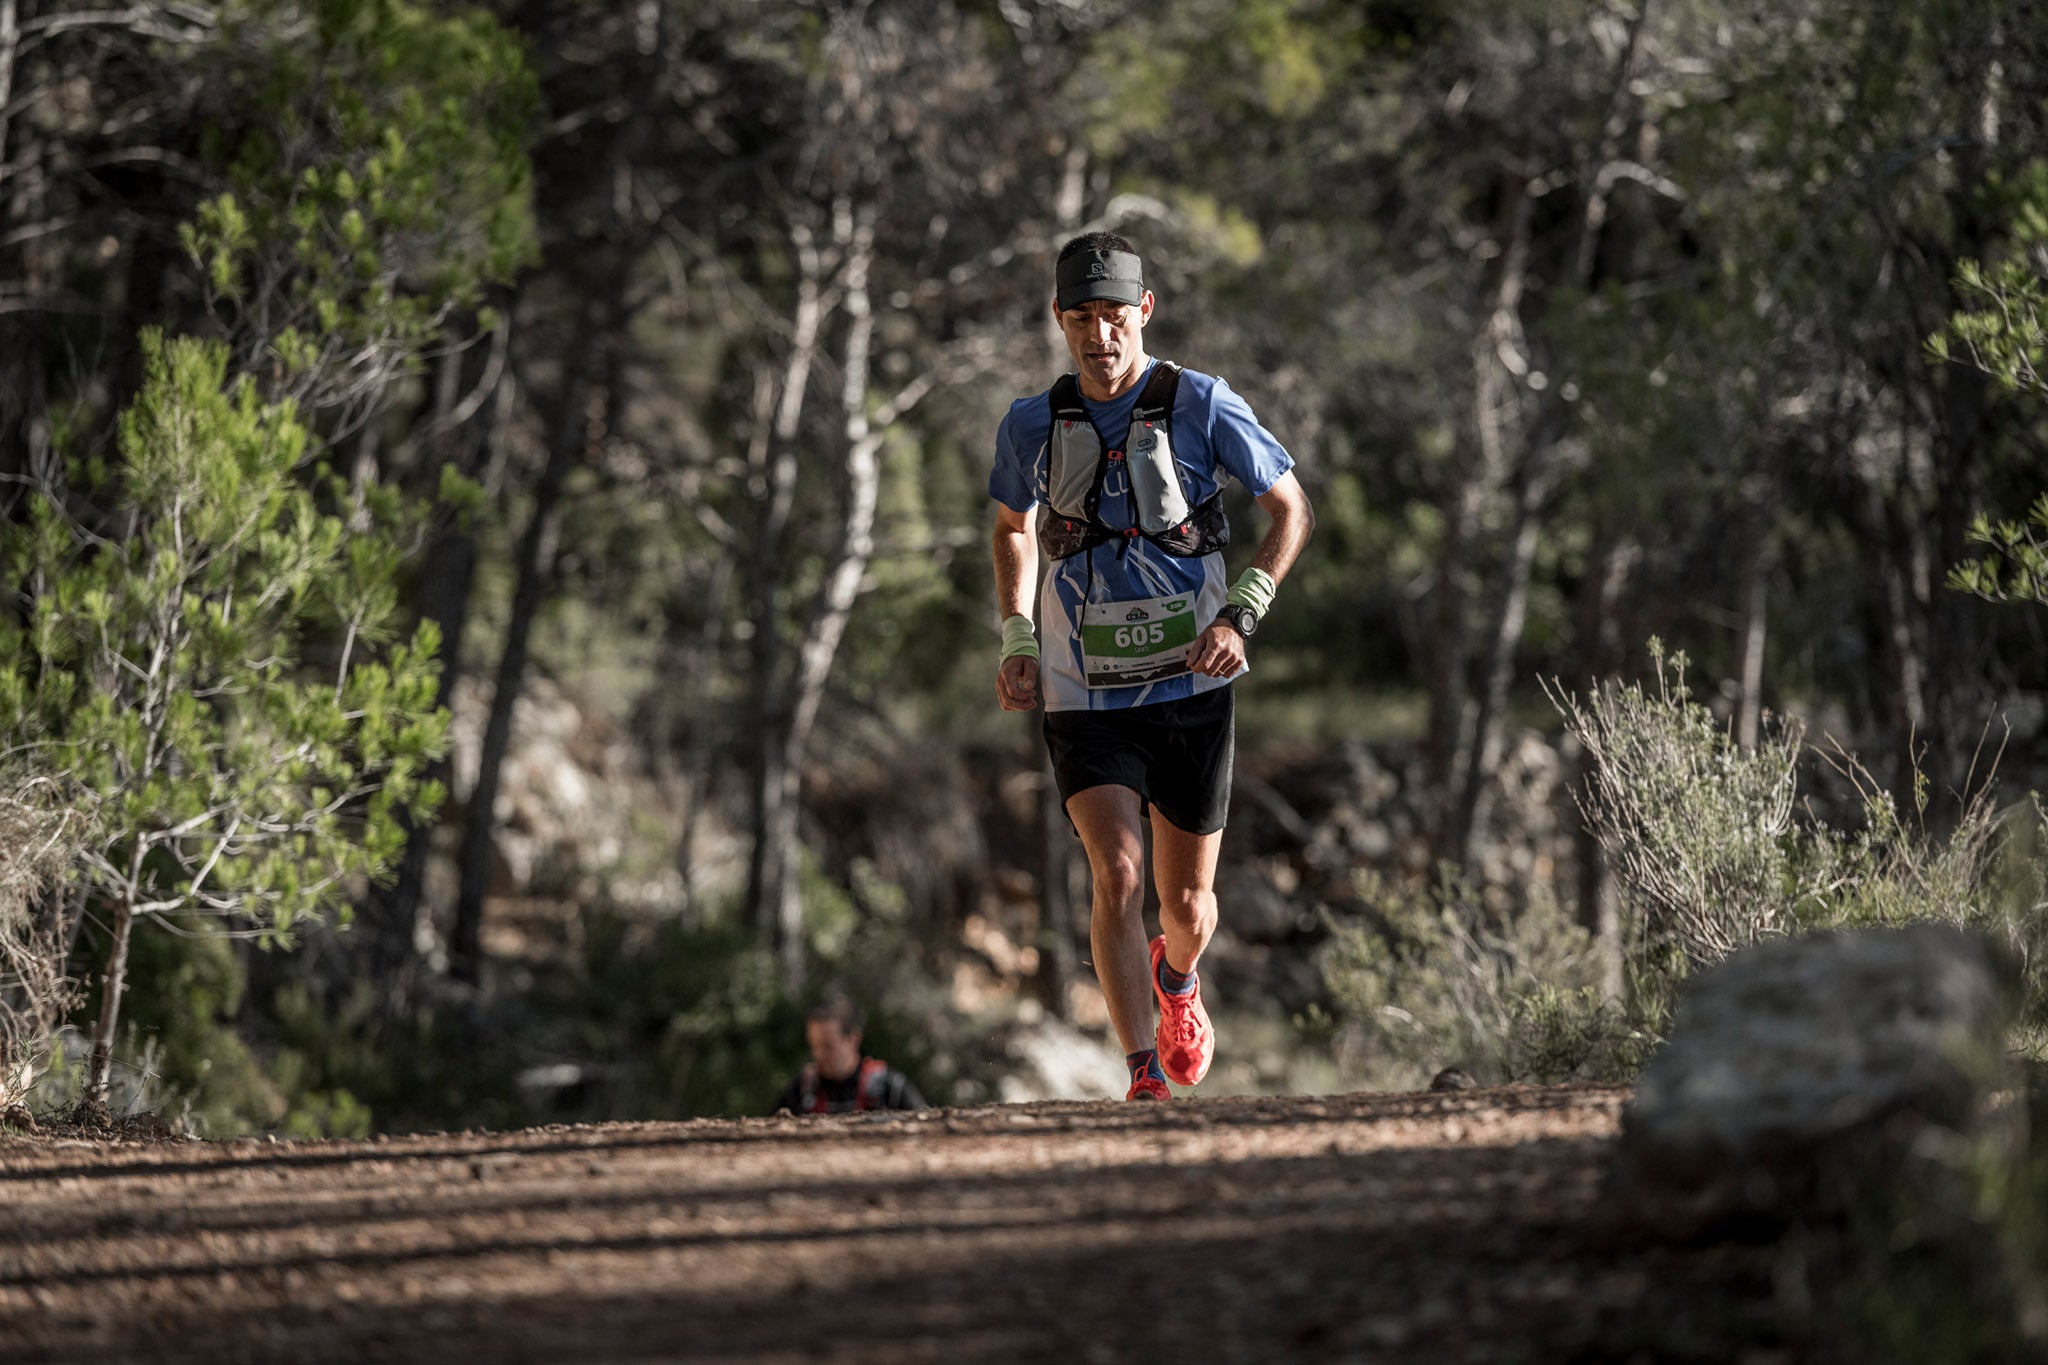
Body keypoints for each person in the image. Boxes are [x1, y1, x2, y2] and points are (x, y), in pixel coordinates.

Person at [989, 231, 1314, 1102]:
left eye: (1114, 316)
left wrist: (1243, 611)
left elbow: (1289, 508)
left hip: (1193, 683)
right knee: (1116, 872)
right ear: (1061, 322)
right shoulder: (1032, 422)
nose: (1100, 336)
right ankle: (1142, 1075)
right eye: (1082, 319)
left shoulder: (1204, 404)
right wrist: (1018, 635)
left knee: (1187, 908)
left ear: (1145, 312)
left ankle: (1178, 980)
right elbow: (1012, 528)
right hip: (1081, 688)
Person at [776, 994, 928, 1115]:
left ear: (853, 1038)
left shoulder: (891, 1089)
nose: (818, 1055)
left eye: (828, 1046)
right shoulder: (800, 1093)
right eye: (814, 1046)